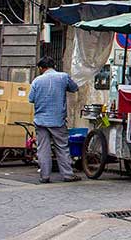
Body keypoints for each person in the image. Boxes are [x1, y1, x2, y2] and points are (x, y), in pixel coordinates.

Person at [28, 56, 81, 184]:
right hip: (57, 120)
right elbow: (74, 88)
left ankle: (45, 176)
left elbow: (31, 99)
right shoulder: (63, 77)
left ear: (42, 68)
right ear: (53, 66)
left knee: (43, 148)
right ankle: (68, 174)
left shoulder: (36, 81)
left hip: (40, 120)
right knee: (62, 147)